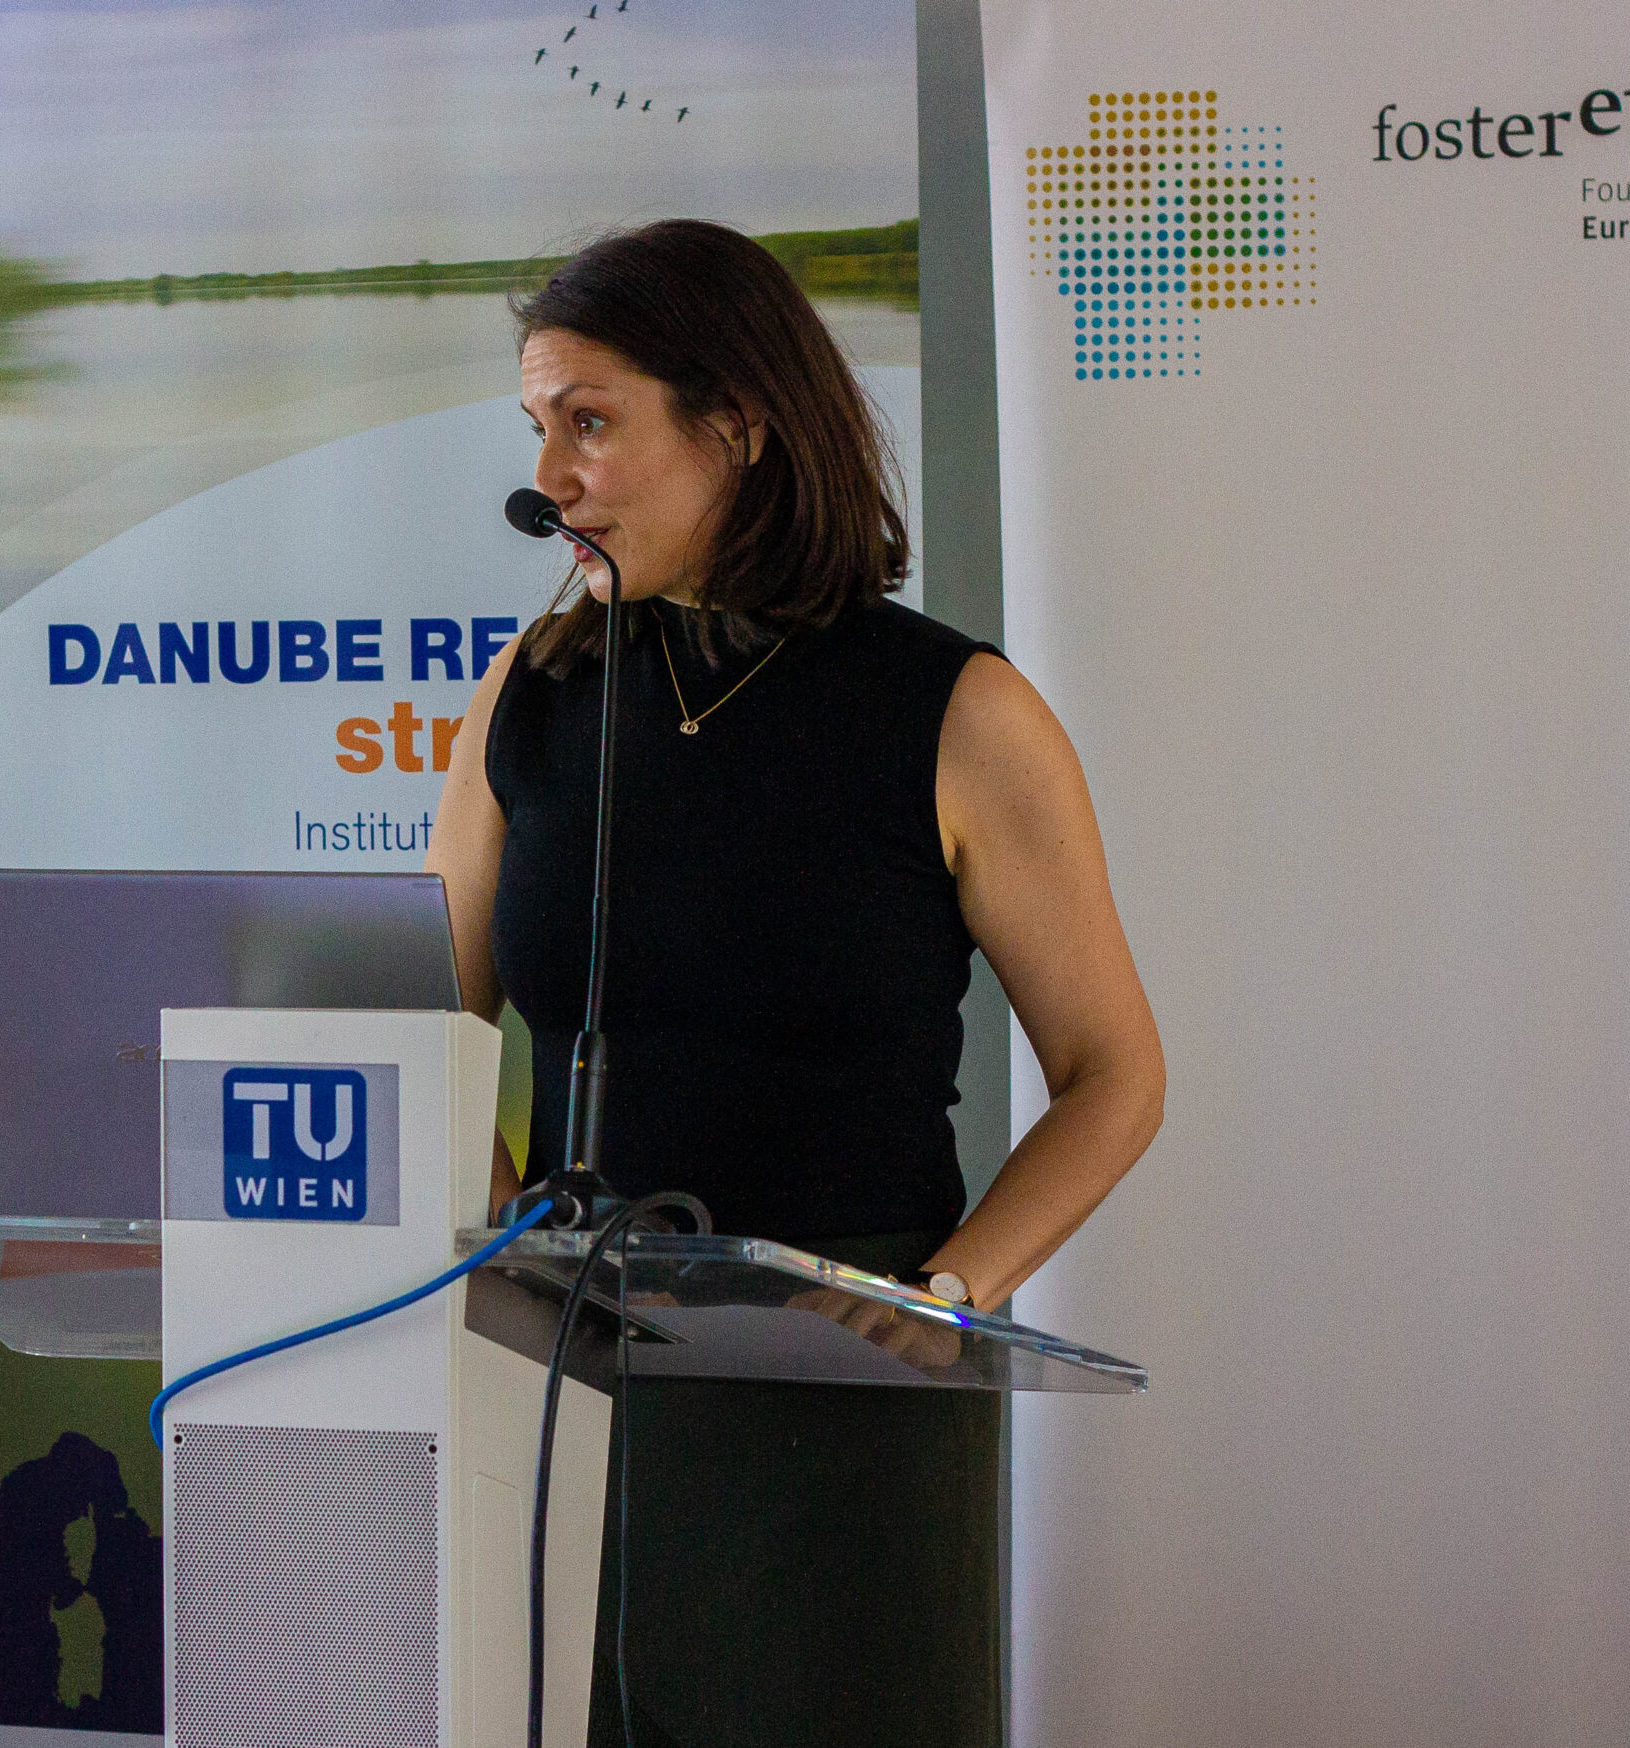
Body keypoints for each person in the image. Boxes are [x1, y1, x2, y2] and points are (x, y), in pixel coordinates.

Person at [425, 219, 1165, 1747]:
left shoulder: (955, 711)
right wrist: (504, 1242)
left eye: (590, 423)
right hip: (570, 1374)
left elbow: (1115, 1075)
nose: (551, 478)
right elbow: (426, 1026)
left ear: (741, 424)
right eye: (538, 429)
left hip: (848, 1391)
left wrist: (946, 1293)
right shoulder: (533, 698)